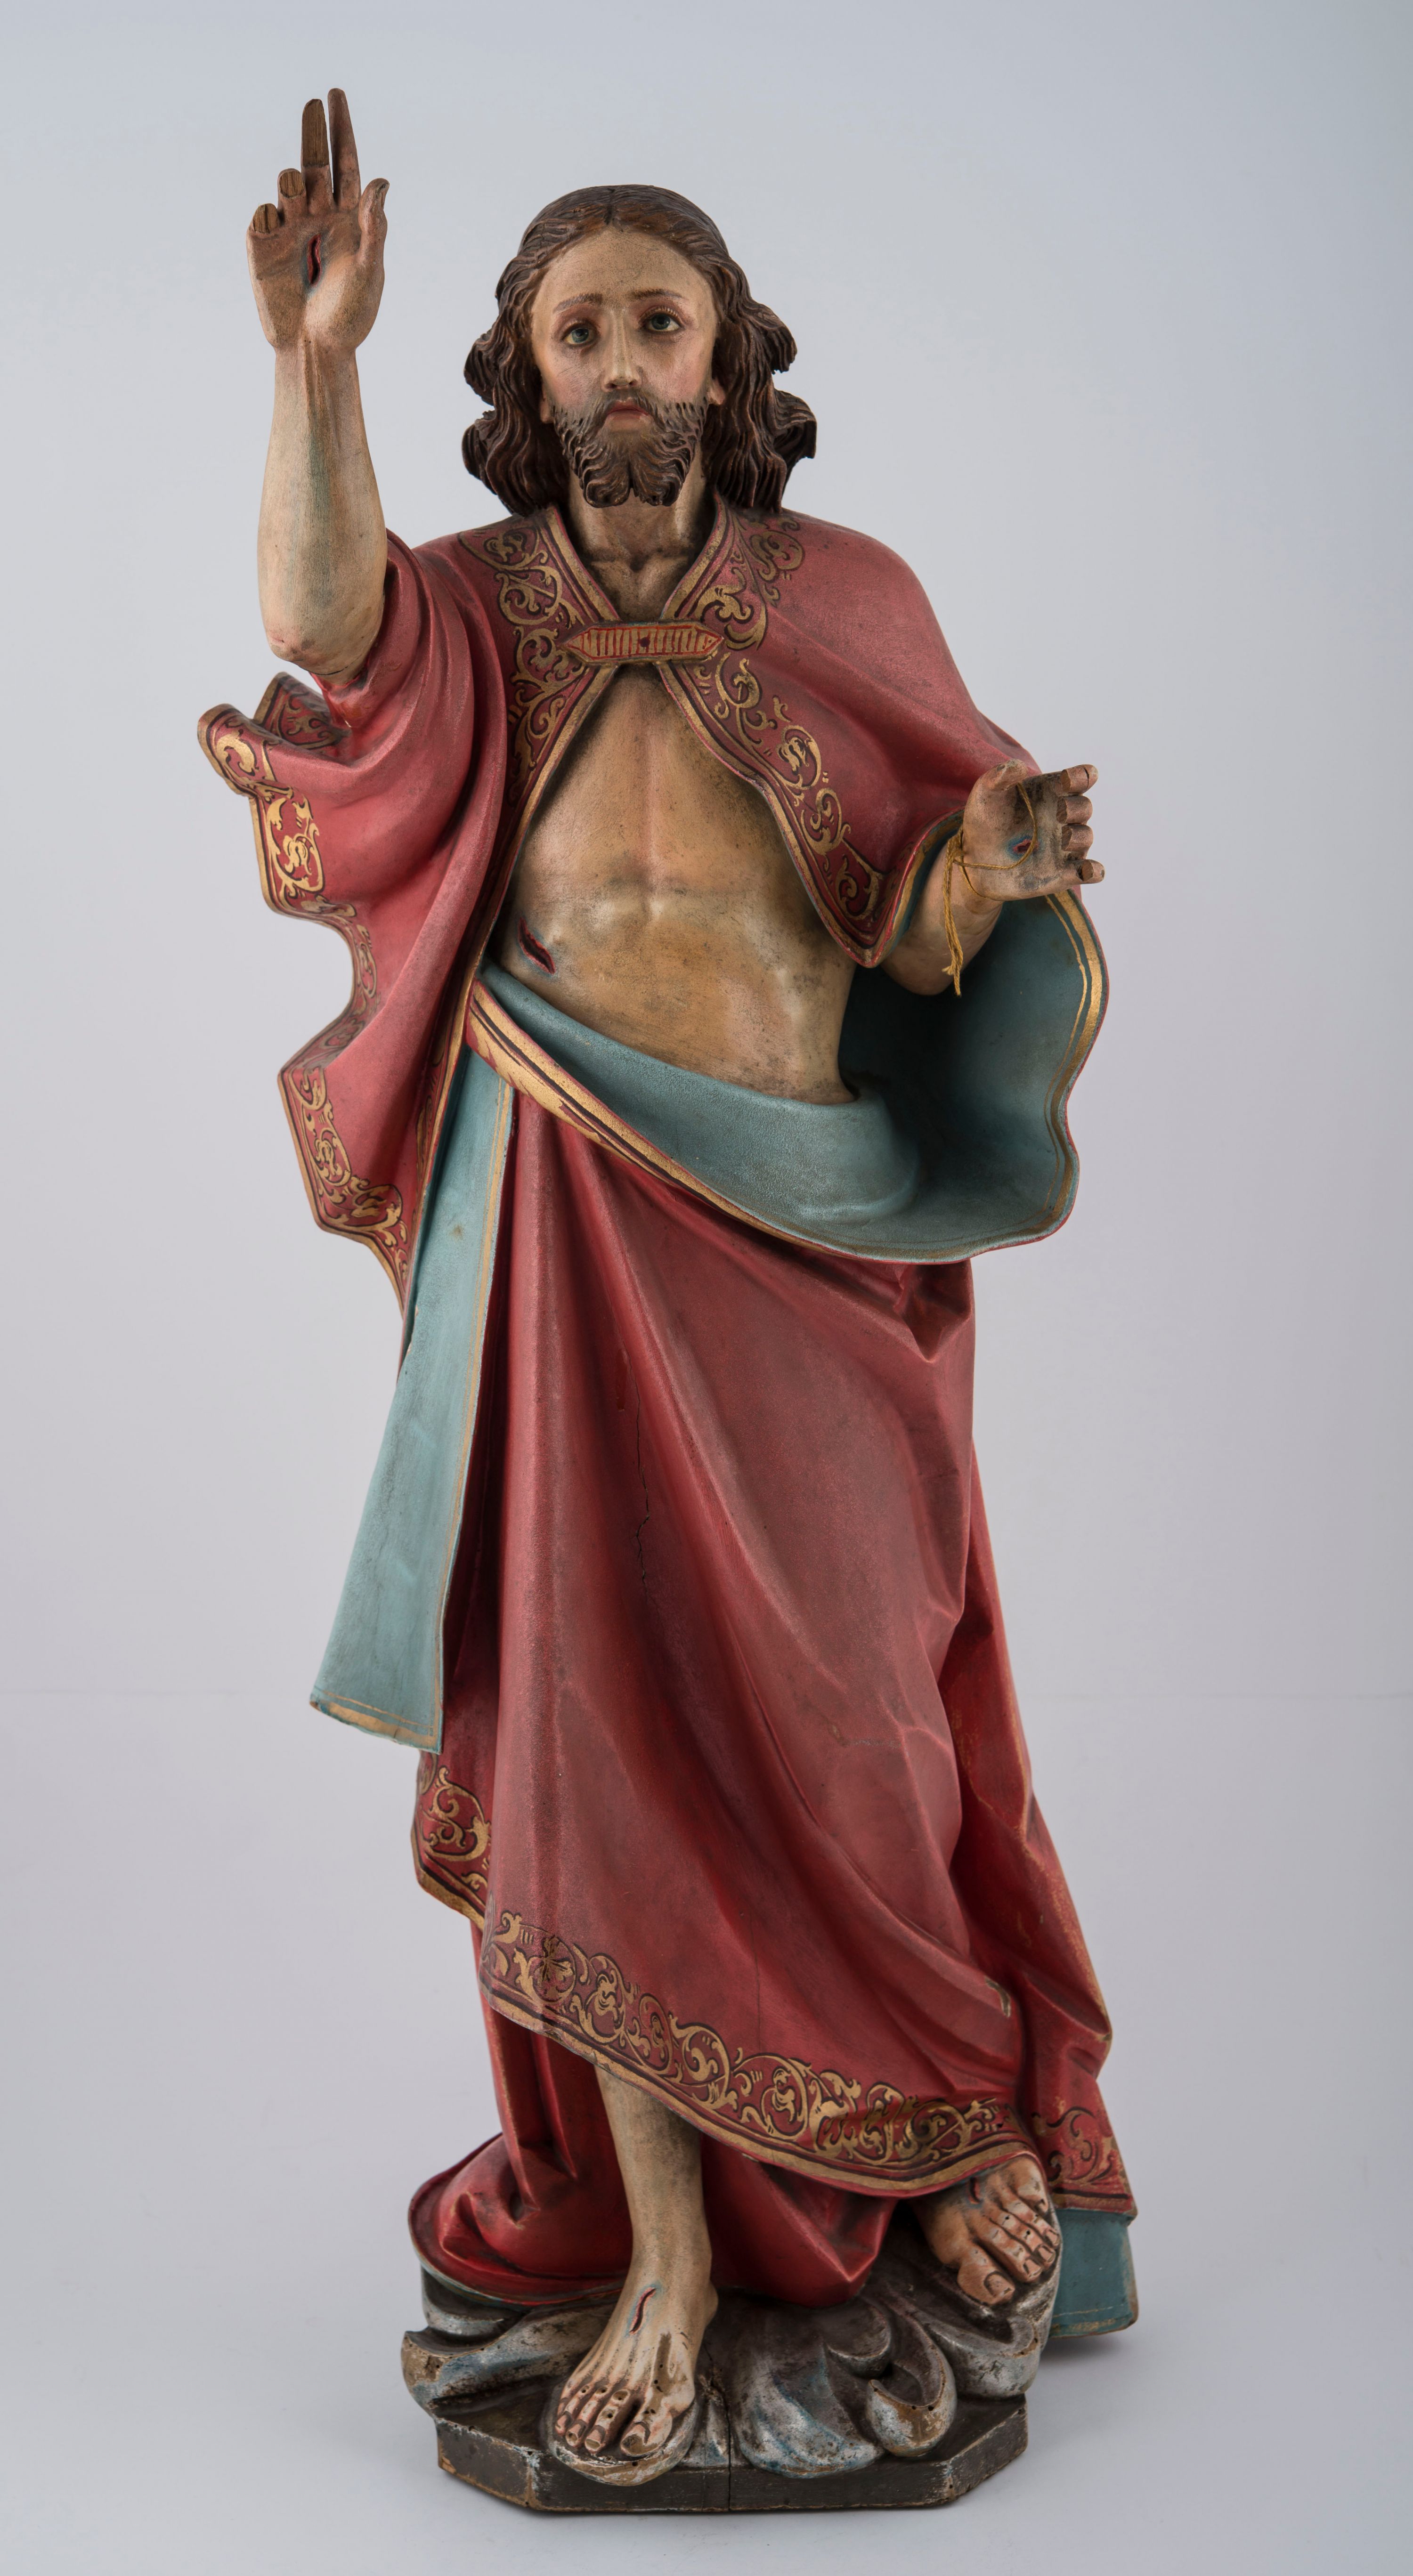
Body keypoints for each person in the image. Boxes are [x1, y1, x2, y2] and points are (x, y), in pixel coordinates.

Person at [202, 90, 1134, 2479]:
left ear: (731, 359)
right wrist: (316, 360)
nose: (622, 363)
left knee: (866, 1717)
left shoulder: (850, 596)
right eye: (581, 329)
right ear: (528, 369)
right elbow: (317, 620)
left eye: (660, 322)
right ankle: (674, 2259)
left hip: (806, 1230)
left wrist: (986, 863)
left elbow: (905, 937)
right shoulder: (482, 607)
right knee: (589, 1734)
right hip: (565, 1225)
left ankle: (934, 2120)